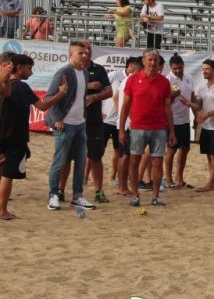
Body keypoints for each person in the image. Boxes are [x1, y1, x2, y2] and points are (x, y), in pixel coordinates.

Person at [2, 53, 65, 219]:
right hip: (15, 135)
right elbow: (43, 106)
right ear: (19, 67)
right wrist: (61, 93)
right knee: (8, 174)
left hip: (3, 132)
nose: (31, 72)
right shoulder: (21, 87)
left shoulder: (6, 86)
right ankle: (2, 210)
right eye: (29, 68)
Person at [118, 49, 176, 207]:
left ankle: (155, 196)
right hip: (137, 127)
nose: (152, 63)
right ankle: (135, 195)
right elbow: (125, 106)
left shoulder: (164, 82)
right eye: (150, 59)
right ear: (143, 61)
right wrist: (122, 129)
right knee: (134, 161)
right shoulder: (133, 80)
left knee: (157, 162)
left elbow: (167, 108)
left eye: (155, 60)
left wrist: (172, 131)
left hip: (159, 128)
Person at [43, 42, 94, 210]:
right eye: (80, 53)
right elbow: (50, 97)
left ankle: (77, 196)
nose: (85, 56)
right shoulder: (63, 73)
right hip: (65, 124)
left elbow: (81, 96)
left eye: (86, 53)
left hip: (80, 124)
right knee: (59, 161)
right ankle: (53, 195)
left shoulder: (85, 73)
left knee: (81, 162)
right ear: (70, 55)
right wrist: (58, 118)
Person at [79, 41, 112, 204]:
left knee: (96, 157)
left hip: (93, 121)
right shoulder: (69, 69)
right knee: (66, 157)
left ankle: (99, 191)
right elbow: (61, 92)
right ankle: (59, 191)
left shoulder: (98, 69)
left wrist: (96, 96)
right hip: (74, 121)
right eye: (83, 49)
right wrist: (89, 86)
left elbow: (109, 91)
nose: (86, 52)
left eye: (89, 49)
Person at [105, 56, 142, 196]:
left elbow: (116, 97)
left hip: (125, 122)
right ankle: (122, 186)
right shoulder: (131, 80)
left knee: (125, 155)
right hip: (128, 124)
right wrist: (131, 118)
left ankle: (123, 185)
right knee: (126, 155)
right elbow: (129, 103)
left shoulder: (127, 80)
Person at [192, 59, 214, 195]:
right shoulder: (201, 87)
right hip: (206, 126)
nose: (204, 71)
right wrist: (188, 103)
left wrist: (206, 115)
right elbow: (199, 106)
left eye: (207, 69)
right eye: (203, 69)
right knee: (209, 157)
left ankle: (212, 183)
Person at [164, 54, 195, 189]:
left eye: (180, 68)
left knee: (185, 148)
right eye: (175, 68)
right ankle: (169, 179)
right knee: (171, 150)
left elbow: (192, 97)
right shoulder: (167, 80)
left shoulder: (189, 77)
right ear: (170, 67)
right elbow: (164, 103)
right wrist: (172, 96)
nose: (177, 71)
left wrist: (196, 115)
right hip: (172, 120)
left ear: (183, 66)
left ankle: (179, 178)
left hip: (185, 119)